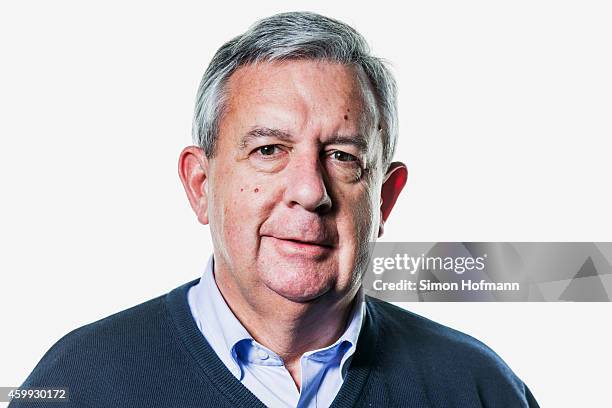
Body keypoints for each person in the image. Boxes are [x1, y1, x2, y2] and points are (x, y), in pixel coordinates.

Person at [12, 12, 539, 408]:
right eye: (269, 150)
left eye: (341, 156)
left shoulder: (477, 388)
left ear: (385, 196)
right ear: (200, 183)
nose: (310, 191)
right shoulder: (80, 383)